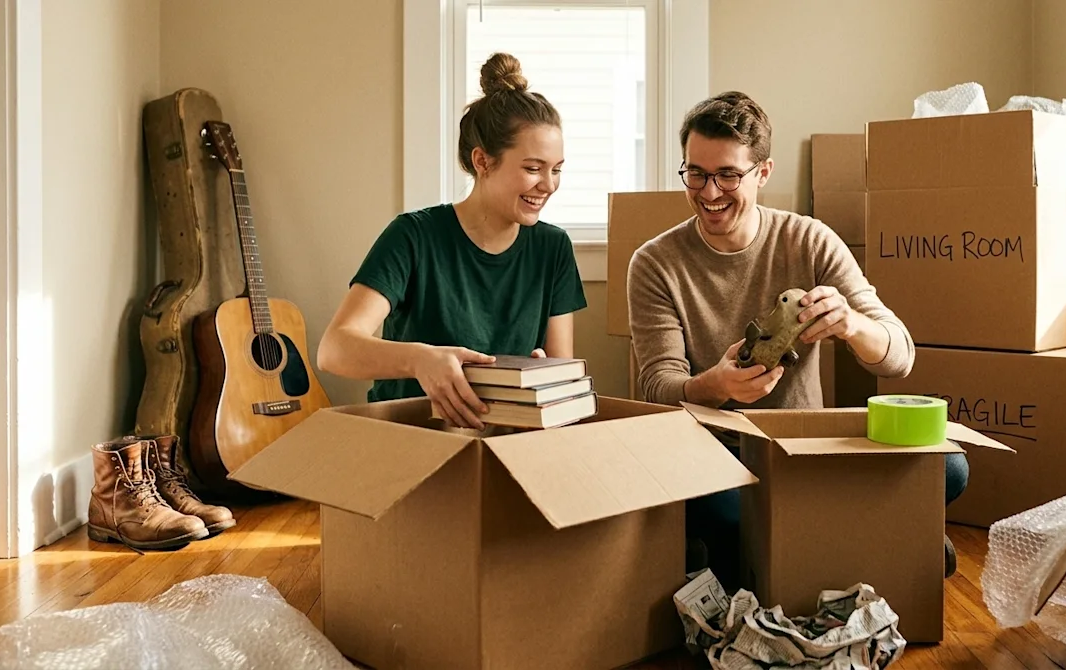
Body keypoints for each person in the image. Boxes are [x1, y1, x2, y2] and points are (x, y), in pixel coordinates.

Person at [625, 91, 967, 585]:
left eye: (728, 175)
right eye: (695, 173)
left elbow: (899, 356)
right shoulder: (655, 263)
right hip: (722, 456)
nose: (709, 191)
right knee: (709, 511)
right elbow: (658, 385)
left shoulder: (810, 240)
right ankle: (878, 538)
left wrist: (851, 325)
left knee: (950, 468)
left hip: (809, 450)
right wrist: (718, 386)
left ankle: (819, 539)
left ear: (763, 172)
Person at [318, 52, 587, 429]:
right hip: (408, 436)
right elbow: (334, 350)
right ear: (482, 161)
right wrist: (420, 360)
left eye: (556, 170)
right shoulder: (413, 235)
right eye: (532, 168)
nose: (548, 185)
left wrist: (547, 380)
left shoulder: (553, 248)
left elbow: (562, 371)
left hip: (503, 441)